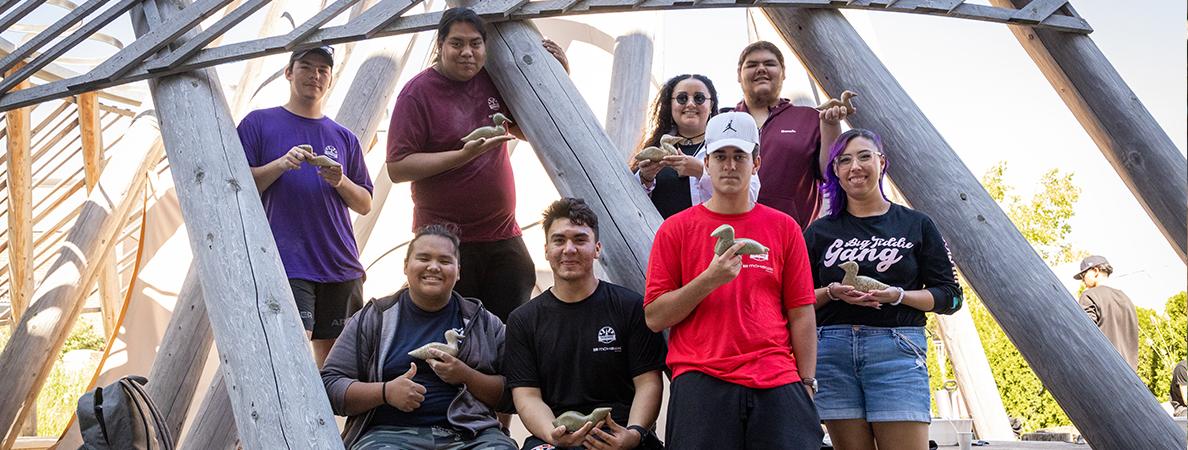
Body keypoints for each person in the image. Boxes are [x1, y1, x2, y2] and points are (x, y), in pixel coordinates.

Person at [643, 111, 822, 448]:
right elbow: (655, 317)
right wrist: (709, 279)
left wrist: (807, 383)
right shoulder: (675, 229)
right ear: (706, 162)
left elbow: (802, 312)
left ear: (756, 162)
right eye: (721, 156)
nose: (729, 165)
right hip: (701, 378)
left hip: (777, 379)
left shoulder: (784, 228)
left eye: (739, 156)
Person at [385, 7, 569, 322]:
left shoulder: (494, 81)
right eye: (457, 43)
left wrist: (557, 77)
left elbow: (530, 130)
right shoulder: (417, 93)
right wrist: (462, 156)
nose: (467, 52)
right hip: (444, 239)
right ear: (440, 45)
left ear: (485, 46)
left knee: (509, 325)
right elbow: (398, 167)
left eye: (475, 43)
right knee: (449, 333)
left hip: (502, 235)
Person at [802, 129, 963, 450]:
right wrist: (832, 291)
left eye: (864, 156)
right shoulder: (819, 231)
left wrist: (898, 296)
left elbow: (951, 296)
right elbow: (797, 299)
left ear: (882, 162)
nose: (855, 166)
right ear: (835, 170)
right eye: (844, 160)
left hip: (897, 350)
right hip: (833, 351)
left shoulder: (916, 224)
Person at [321, 224, 516, 449]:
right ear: (406, 266)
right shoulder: (373, 317)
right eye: (423, 258)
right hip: (387, 435)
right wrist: (385, 392)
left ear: (458, 270)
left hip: (471, 435)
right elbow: (331, 384)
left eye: (444, 261)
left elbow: (517, 391)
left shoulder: (483, 322)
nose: (433, 267)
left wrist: (467, 376)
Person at [239, 46, 373, 368]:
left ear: (330, 78)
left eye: (323, 70)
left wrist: (340, 180)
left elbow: (365, 203)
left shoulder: (344, 137)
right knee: (291, 362)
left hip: (341, 265)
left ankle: (333, 421)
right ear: (288, 72)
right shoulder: (258, 123)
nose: (315, 75)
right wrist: (281, 164)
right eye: (306, 66)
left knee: (340, 369)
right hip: (289, 263)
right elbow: (238, 187)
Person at [505, 198, 667, 450]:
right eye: (559, 240)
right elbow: (527, 396)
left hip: (621, 432)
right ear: (547, 249)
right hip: (556, 435)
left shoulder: (630, 306)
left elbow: (648, 382)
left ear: (597, 249)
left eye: (580, 240)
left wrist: (634, 434)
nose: (569, 249)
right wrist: (552, 433)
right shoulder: (523, 320)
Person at [734, 41, 848, 228]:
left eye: (769, 64)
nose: (761, 69)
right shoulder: (723, 120)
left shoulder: (811, 119)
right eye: (752, 65)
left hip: (793, 238)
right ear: (739, 74)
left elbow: (831, 174)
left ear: (783, 73)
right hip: (735, 237)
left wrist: (831, 125)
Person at [629, 74, 759, 218]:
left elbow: (751, 197)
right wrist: (645, 178)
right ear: (670, 105)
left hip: (707, 236)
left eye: (699, 98)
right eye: (682, 98)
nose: (690, 104)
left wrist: (700, 171)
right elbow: (629, 201)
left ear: (711, 106)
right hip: (657, 236)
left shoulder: (731, 146)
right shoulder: (655, 147)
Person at [1074, 255, 1139, 371]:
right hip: (1130, 375)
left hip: (1104, 370)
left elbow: (1084, 334)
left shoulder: (1089, 295)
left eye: (1083, 275)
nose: (1083, 280)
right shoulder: (1126, 299)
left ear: (1095, 271)